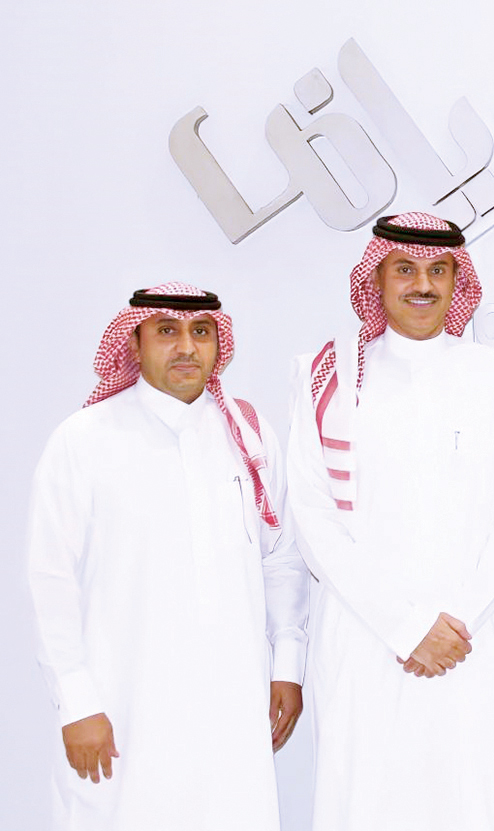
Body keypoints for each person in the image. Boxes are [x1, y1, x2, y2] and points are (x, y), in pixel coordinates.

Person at [288, 212, 494, 830]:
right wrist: (403, 628)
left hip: (469, 642)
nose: (422, 285)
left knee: (481, 799)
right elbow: (311, 513)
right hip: (366, 641)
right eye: (404, 269)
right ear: (376, 279)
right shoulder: (329, 379)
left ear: (459, 282)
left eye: (438, 270)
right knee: (368, 803)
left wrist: (458, 619)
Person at [26, 282, 309, 830]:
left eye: (200, 332)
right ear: (134, 343)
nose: (186, 347)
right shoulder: (83, 439)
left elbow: (281, 558)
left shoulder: (247, 434)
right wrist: (77, 702)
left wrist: (287, 668)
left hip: (231, 701)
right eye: (166, 331)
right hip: (124, 703)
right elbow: (51, 579)